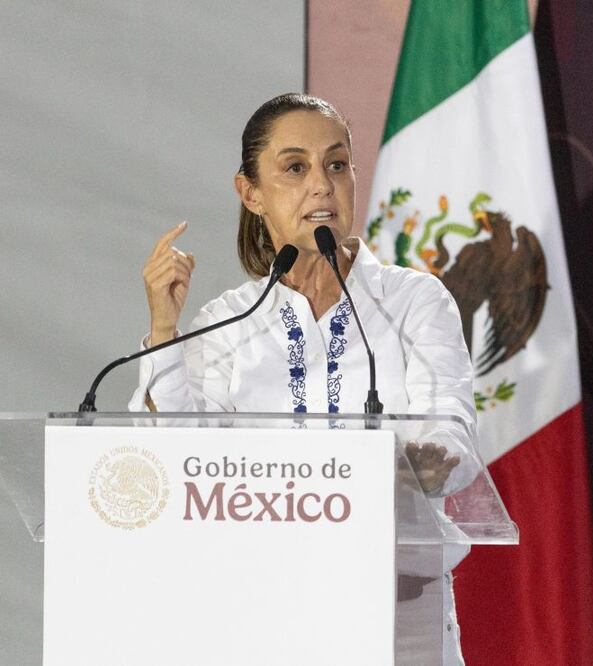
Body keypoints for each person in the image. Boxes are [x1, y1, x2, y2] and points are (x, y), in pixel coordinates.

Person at [129, 93, 480, 665]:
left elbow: (453, 430)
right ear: (251, 193)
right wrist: (164, 329)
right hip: (259, 605)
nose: (322, 185)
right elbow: (180, 455)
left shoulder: (413, 301)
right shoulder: (226, 322)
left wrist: (427, 457)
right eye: (295, 168)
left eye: (336, 164)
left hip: (401, 611)